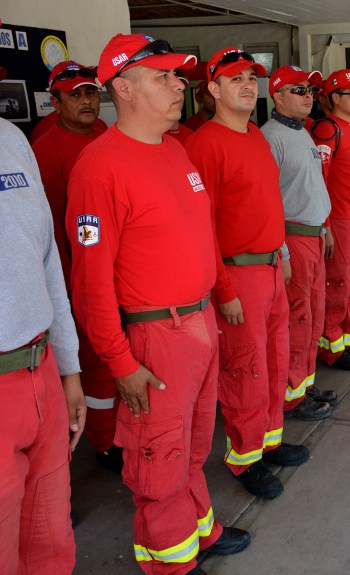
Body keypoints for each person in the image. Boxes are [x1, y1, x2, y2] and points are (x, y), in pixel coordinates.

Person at [66, 34, 251, 575]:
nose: (178, 86)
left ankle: (199, 529)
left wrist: (219, 296)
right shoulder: (99, 167)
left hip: (199, 322)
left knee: (192, 445)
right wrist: (121, 362)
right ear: (123, 89)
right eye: (162, 76)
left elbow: (202, 236)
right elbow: (90, 284)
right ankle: (170, 560)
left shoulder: (174, 150)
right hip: (155, 336)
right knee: (160, 457)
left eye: (177, 75)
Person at [185, 47, 312, 500]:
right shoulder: (205, 144)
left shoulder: (256, 136)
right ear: (213, 89)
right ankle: (245, 457)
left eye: (250, 78)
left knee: (275, 361)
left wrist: (282, 254)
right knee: (245, 370)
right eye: (235, 78)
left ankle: (269, 440)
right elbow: (201, 228)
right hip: (238, 276)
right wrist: (224, 290)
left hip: (272, 268)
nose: (246, 85)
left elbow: (268, 204)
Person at [0, 115, 85, 575]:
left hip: (42, 369)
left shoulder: (10, 138)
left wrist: (69, 370)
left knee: (50, 538)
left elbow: (48, 258)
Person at [30, 60, 121, 473]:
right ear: (55, 102)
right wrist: (69, 289)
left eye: (90, 93)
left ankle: (121, 430)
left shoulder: (104, 133)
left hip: (120, 273)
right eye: (74, 95)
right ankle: (105, 443)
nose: (86, 101)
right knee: (97, 363)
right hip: (81, 278)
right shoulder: (46, 150)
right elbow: (50, 230)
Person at [260, 65, 339, 419]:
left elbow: (314, 188)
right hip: (293, 238)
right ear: (277, 97)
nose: (309, 96)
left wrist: (325, 228)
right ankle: (291, 394)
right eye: (299, 90)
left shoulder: (303, 131)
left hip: (313, 235)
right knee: (298, 318)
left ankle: (304, 383)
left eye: (310, 90)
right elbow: (269, 202)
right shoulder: (271, 137)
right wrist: (283, 251)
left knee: (313, 316)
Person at [309, 69, 350, 371]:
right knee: (337, 284)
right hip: (339, 221)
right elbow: (320, 181)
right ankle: (331, 348)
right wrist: (326, 226)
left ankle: (345, 340)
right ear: (335, 98)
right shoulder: (327, 129)